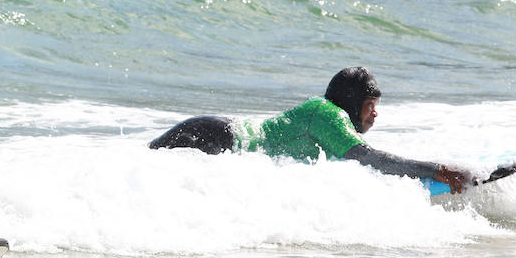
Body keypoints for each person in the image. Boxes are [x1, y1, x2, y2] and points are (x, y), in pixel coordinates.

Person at [148, 66, 472, 193]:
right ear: (351, 101)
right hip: (212, 137)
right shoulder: (326, 114)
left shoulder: (329, 118)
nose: (375, 114)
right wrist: (436, 170)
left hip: (216, 135)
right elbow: (369, 158)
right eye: (370, 105)